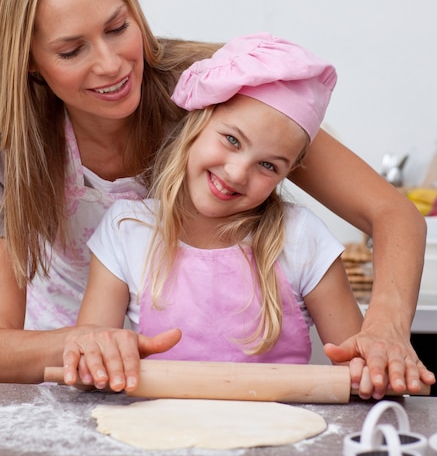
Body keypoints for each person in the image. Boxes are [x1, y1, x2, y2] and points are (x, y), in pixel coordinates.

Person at [0, 0, 434, 398]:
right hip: (79, 387)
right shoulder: (13, 148)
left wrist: (385, 329)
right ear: (29, 62)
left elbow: (394, 214)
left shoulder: (219, 97)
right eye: (71, 50)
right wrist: (82, 343)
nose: (110, 63)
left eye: (118, 27)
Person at [64, 33, 365, 390]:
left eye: (268, 165)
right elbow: (88, 369)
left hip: (274, 436)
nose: (237, 173)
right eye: (232, 140)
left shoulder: (302, 238)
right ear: (198, 121)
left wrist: (376, 365)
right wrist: (98, 355)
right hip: (161, 437)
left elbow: (358, 370)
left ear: (287, 174)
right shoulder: (127, 230)